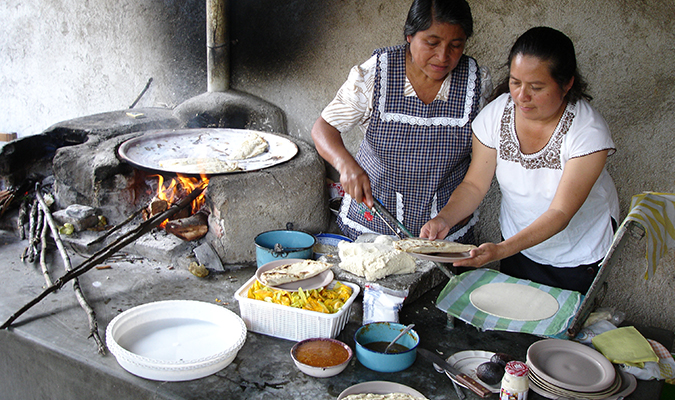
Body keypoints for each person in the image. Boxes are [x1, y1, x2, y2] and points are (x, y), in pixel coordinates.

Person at [420, 26, 619, 294]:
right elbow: (475, 186)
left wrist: (500, 250)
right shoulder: (496, 115)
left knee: (561, 327)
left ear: (567, 83)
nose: (521, 96)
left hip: (576, 251)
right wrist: (444, 219)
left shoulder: (587, 132)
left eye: (536, 87)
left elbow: (560, 214)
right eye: (515, 82)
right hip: (518, 242)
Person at [311, 0, 490, 242]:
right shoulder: (376, 74)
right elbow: (324, 127)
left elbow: (481, 164)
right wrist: (346, 166)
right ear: (410, 35)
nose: (443, 56)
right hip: (374, 224)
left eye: (455, 46)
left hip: (444, 231)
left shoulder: (475, 84)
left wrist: (448, 218)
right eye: (432, 43)